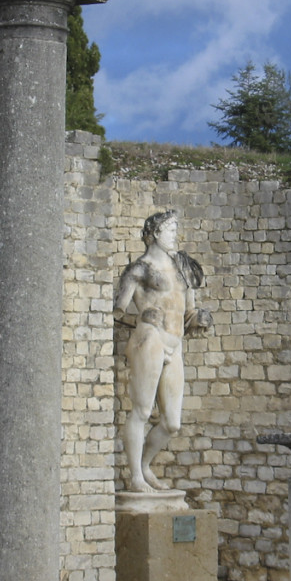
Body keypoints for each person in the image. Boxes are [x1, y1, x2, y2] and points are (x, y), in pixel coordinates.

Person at [114, 211, 212, 493]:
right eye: (170, 230)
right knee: (142, 410)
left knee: (171, 423)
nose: (175, 235)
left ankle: (144, 466)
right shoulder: (139, 269)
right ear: (155, 233)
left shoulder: (183, 267)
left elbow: (189, 310)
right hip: (150, 338)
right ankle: (135, 477)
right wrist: (142, 319)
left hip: (175, 343)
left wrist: (199, 319)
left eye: (175, 229)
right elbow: (117, 312)